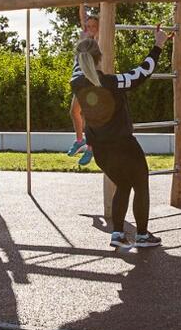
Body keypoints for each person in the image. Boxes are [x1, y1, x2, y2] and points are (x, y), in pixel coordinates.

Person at [70, 26, 171, 249]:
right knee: (141, 185)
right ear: (99, 59)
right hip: (124, 147)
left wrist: (86, 38)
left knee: (123, 186)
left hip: (101, 152)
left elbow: (80, 63)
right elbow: (141, 74)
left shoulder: (76, 83)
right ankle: (142, 235)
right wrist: (158, 45)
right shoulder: (111, 82)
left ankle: (117, 234)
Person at [64, 9, 100, 167]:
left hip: (87, 79)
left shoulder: (97, 40)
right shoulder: (83, 36)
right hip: (77, 79)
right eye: (89, 26)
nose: (91, 29)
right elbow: (82, 15)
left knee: (87, 114)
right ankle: (80, 140)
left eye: (94, 26)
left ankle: (91, 147)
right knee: (74, 112)